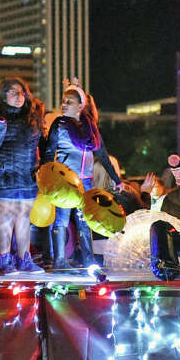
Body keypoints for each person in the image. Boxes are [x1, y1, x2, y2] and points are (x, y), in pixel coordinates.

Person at [41, 79, 122, 270]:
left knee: (84, 219)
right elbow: (48, 152)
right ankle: (60, 260)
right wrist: (44, 175)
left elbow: (101, 153)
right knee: (61, 218)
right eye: (63, 100)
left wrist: (116, 179)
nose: (64, 104)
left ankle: (88, 259)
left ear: (80, 106)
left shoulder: (90, 128)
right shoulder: (59, 124)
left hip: (85, 180)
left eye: (69, 101)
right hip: (64, 181)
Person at [0, 77, 46, 274]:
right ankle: (4, 261)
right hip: (5, 178)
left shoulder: (32, 119)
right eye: (13, 92)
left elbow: (41, 146)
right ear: (3, 96)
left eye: (22, 92)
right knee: (6, 219)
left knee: (24, 219)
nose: (19, 96)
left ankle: (24, 259)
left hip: (27, 177)